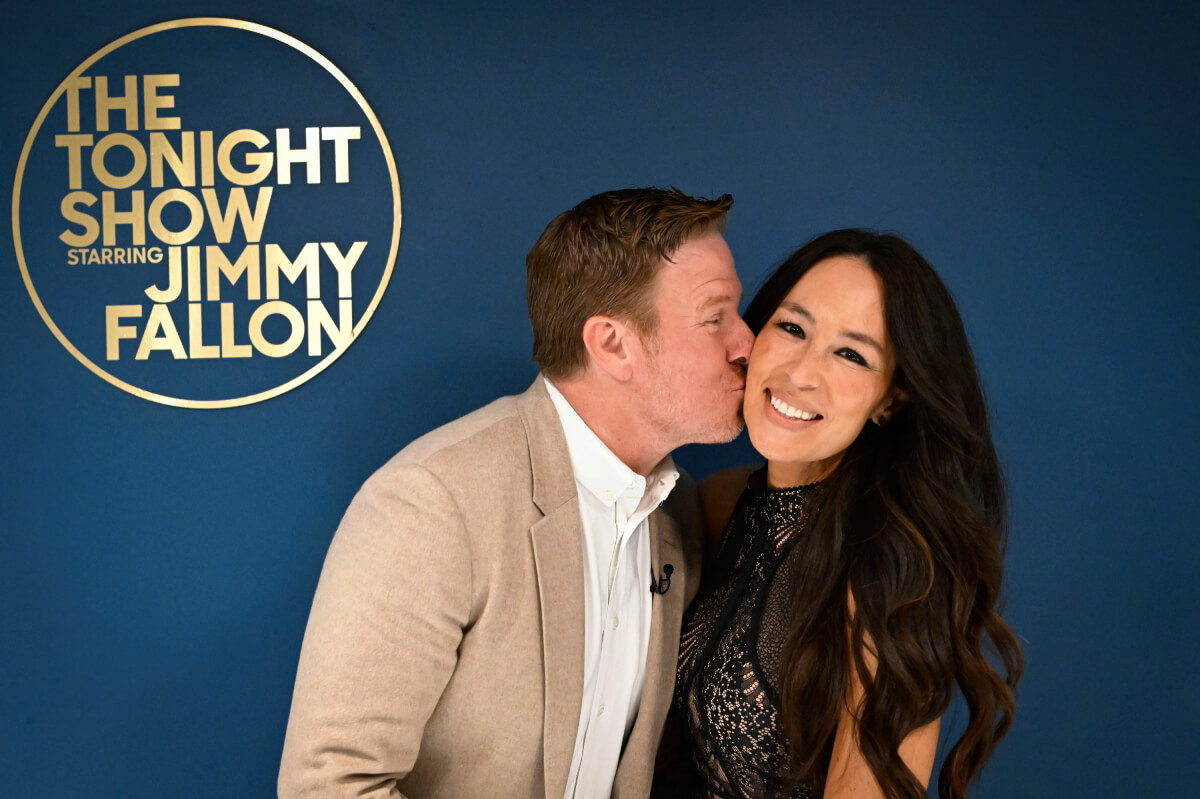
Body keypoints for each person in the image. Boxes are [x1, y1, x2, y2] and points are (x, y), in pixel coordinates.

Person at [278, 187, 755, 799]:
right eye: (715, 317)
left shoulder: (677, 511)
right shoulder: (434, 502)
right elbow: (330, 785)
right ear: (612, 344)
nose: (746, 343)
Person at [668, 230, 1023, 799]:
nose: (802, 372)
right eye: (792, 328)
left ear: (892, 400)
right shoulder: (716, 503)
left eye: (852, 354)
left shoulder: (893, 567)